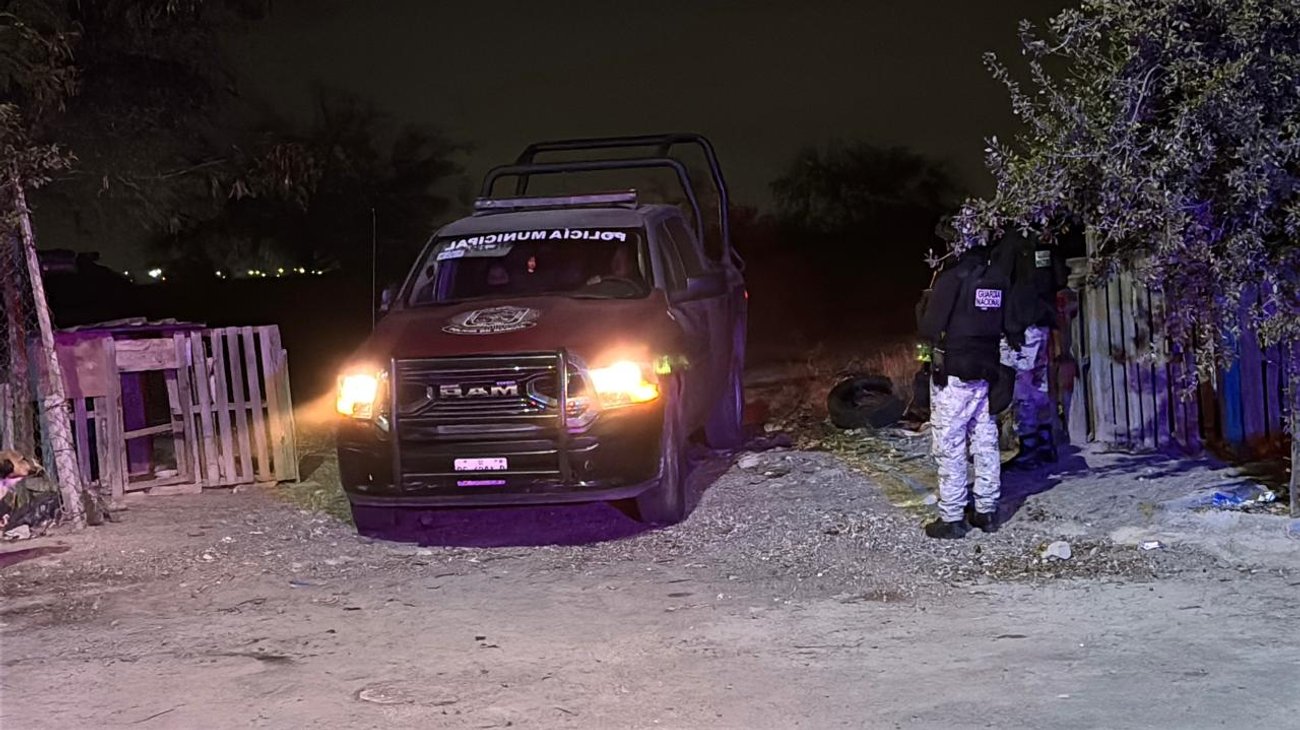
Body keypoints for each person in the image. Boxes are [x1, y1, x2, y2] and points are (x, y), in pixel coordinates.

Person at [918, 243, 1022, 539]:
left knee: (950, 443)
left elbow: (930, 326)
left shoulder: (953, 278)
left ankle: (952, 517)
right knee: (985, 438)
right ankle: (987, 511)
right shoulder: (998, 279)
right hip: (987, 372)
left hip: (954, 375)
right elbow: (1011, 323)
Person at [990, 224, 1070, 470]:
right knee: (1040, 384)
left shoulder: (1012, 242)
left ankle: (1029, 448)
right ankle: (1045, 443)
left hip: (1020, 328)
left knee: (1022, 389)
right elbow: (1060, 278)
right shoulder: (1046, 239)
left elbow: (999, 279)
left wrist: (1008, 325)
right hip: (1042, 323)